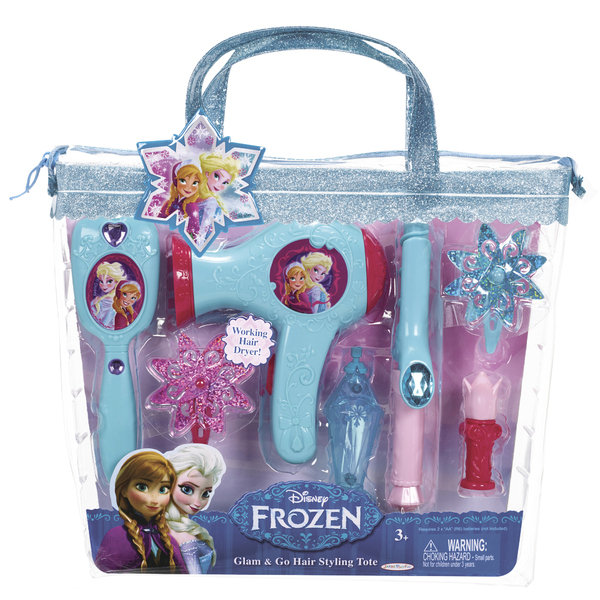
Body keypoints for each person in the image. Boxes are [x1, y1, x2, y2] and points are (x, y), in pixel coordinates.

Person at [94, 451, 187, 574]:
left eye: (163, 489)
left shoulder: (169, 541)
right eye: (142, 487)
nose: (154, 500)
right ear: (124, 489)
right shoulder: (115, 537)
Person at [163, 444, 226, 574]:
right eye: (187, 489)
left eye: (205, 493)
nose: (197, 503)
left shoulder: (166, 528)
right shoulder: (185, 539)